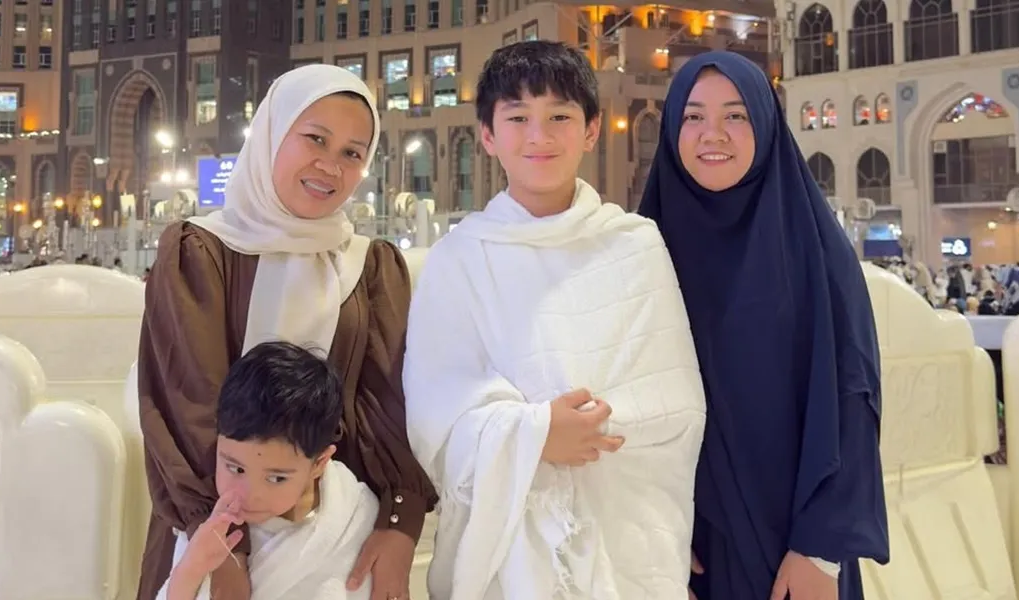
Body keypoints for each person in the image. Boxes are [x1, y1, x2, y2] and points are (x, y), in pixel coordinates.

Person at [403, 41, 707, 599]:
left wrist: (590, 434)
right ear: (488, 136)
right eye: (517, 118)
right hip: (508, 555)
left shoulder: (635, 244)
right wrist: (536, 435)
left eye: (559, 117)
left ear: (592, 130)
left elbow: (676, 403)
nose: (538, 136)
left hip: (626, 530)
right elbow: (434, 414)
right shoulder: (460, 258)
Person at [137, 64, 436, 600]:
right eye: (315, 139)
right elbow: (187, 407)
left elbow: (390, 407)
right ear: (273, 134)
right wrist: (224, 551)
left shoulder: (370, 266)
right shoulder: (200, 252)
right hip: (209, 527)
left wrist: (399, 523)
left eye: (352, 152)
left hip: (333, 541)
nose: (331, 165)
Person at [638, 52, 889, 600]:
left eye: (736, 116)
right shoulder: (643, 249)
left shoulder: (813, 251)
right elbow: (623, 396)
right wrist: (651, 531)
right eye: (694, 117)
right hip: (682, 544)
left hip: (794, 541)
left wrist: (821, 550)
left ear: (767, 125)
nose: (714, 134)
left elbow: (852, 394)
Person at [157, 341, 377, 600]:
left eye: (276, 478)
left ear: (319, 463)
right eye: (235, 468)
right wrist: (189, 572)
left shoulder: (354, 517)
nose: (250, 494)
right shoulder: (212, 525)